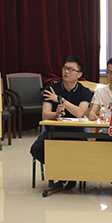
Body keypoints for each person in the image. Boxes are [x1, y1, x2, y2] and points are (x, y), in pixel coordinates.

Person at [30, 56, 93, 192]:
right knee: (36, 149)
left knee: (84, 151)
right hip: (55, 131)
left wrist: (60, 100)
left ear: (79, 74)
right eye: (65, 68)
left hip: (76, 132)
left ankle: (67, 174)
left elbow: (79, 113)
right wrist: (55, 115)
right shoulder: (51, 89)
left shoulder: (85, 92)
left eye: (71, 69)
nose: (66, 72)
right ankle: (63, 173)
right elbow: (45, 114)